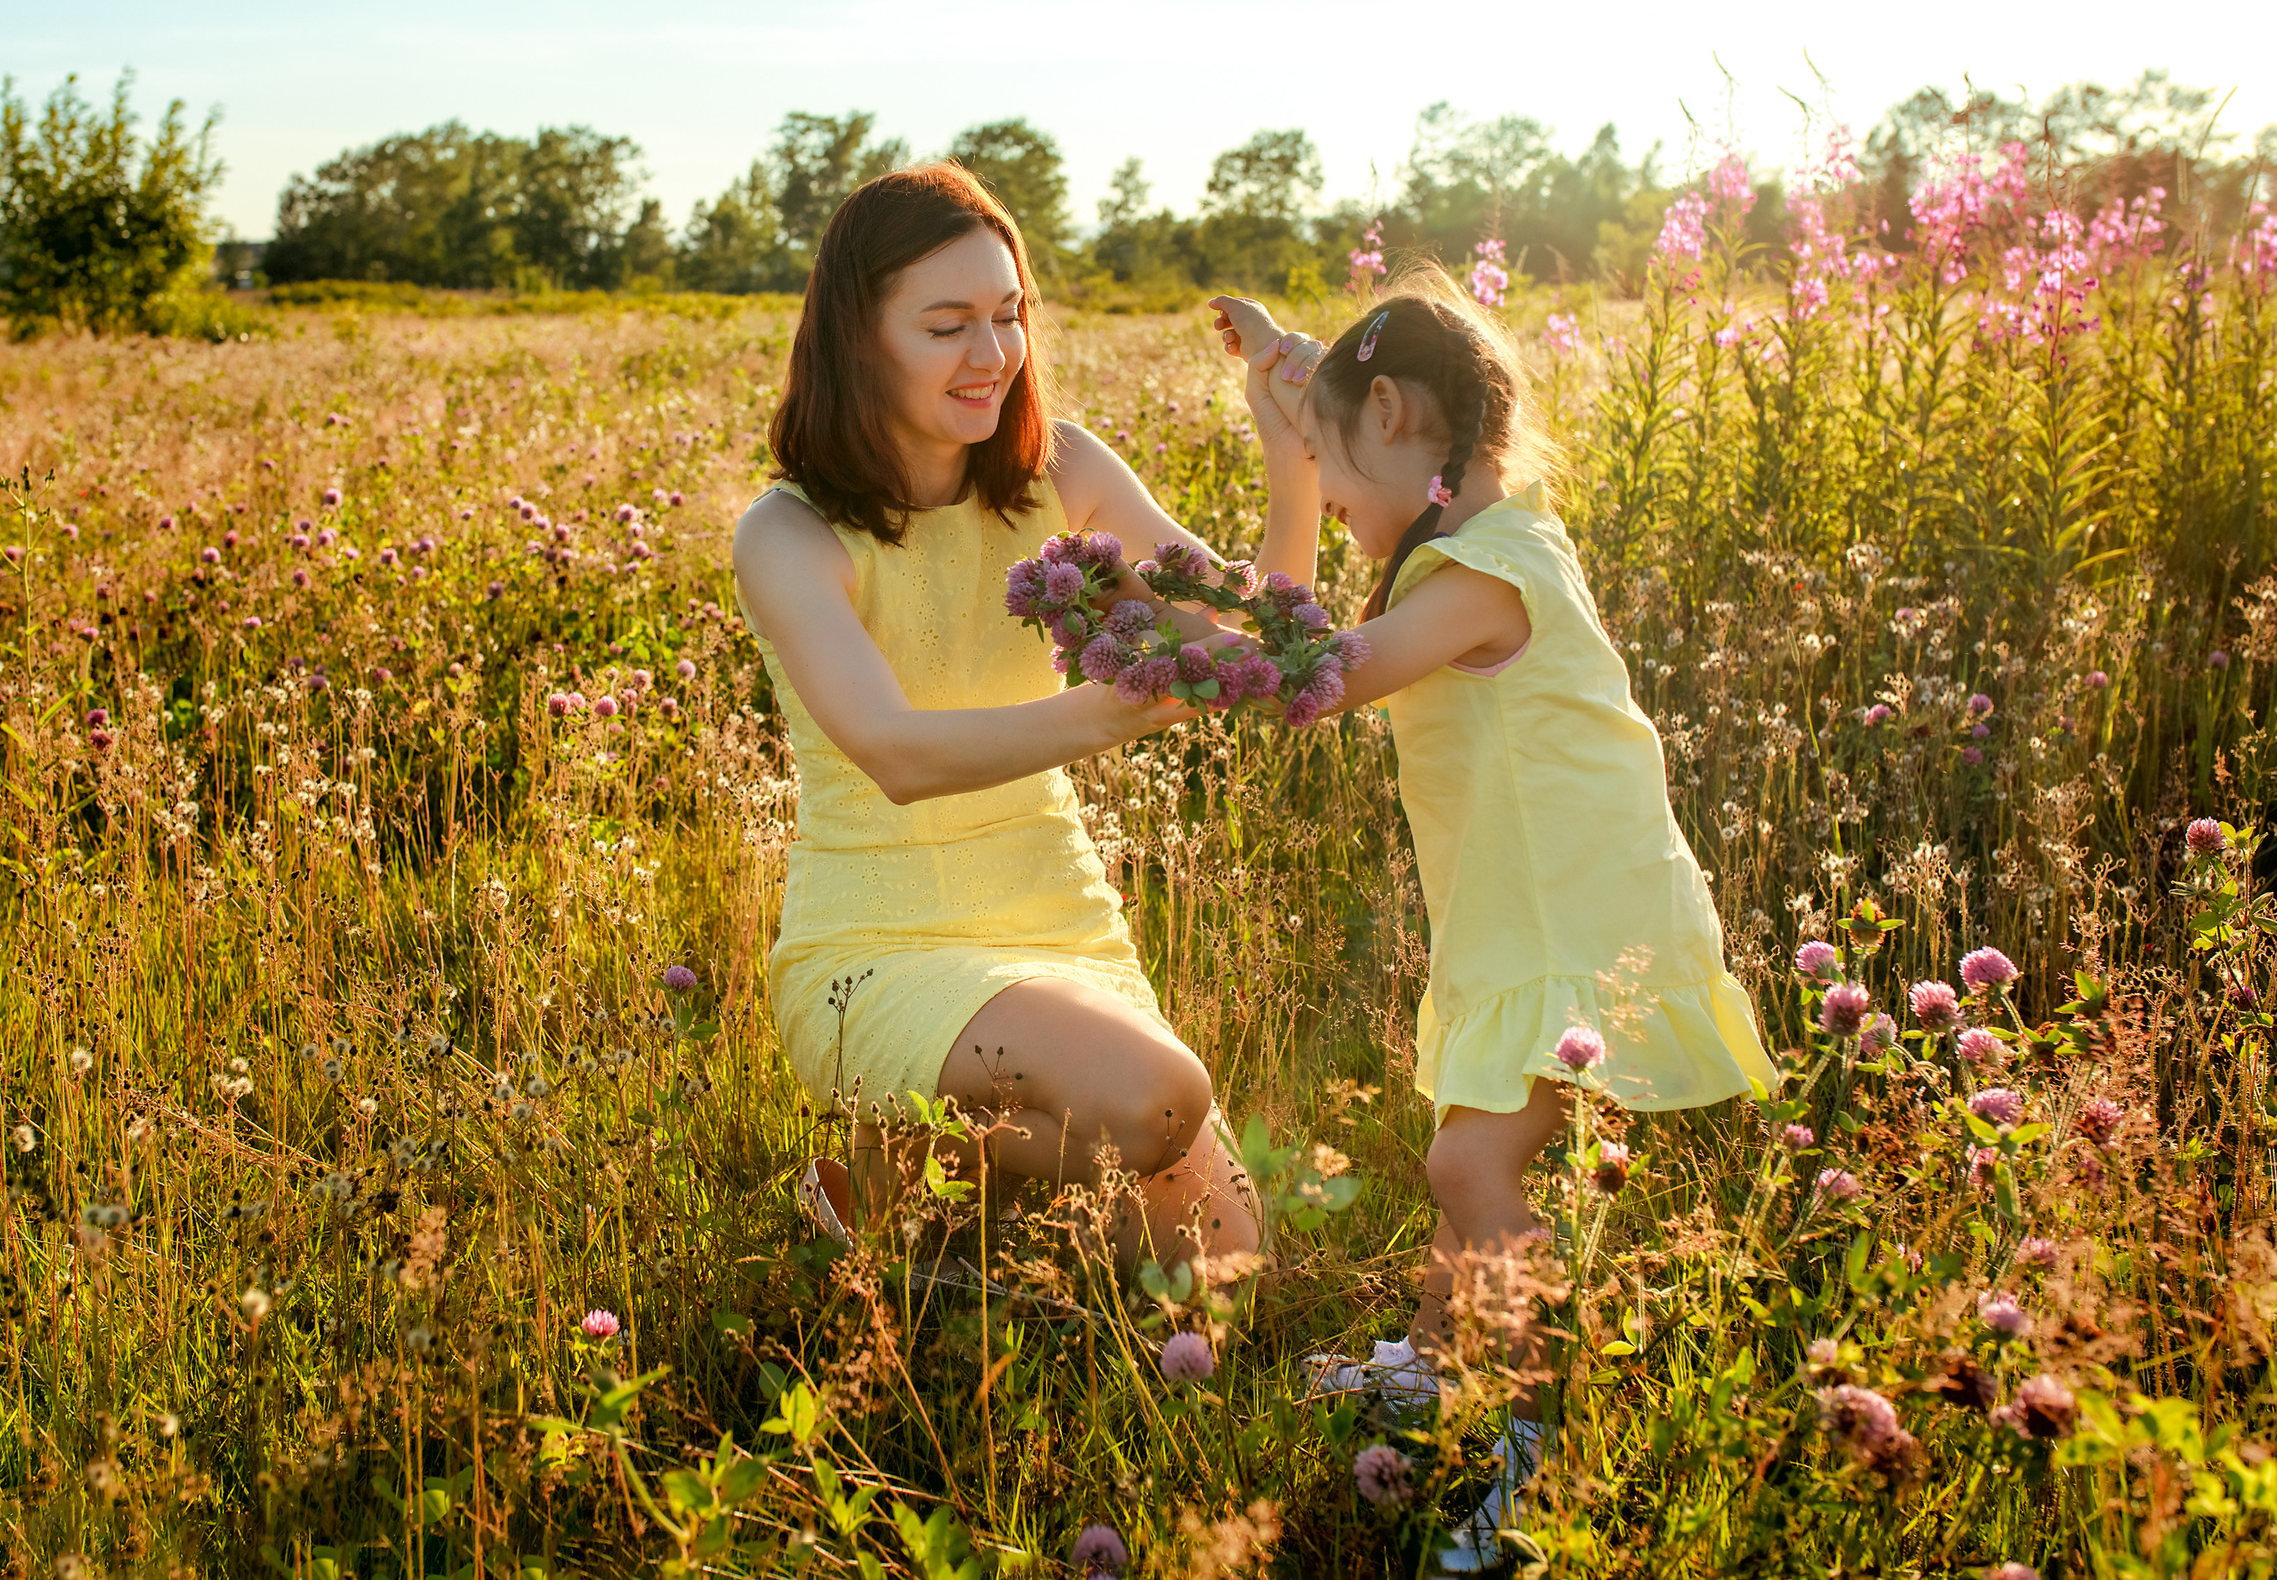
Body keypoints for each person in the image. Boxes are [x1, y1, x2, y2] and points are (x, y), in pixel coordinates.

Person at [1210, 274, 1778, 1572]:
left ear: (1393, 415)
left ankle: (1540, 1452)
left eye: (1333, 477)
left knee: (1472, 1168)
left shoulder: (1477, 578)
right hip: (1535, 918)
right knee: (1467, 1137)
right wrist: (1294, 374)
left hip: (1573, 930)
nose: (1334, 503)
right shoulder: (1501, 536)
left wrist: (1282, 455)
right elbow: (1360, 406)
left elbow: (1300, 680)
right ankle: (1426, 1362)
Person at [733, 162, 1291, 1275]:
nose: (992, 354)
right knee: (1155, 1099)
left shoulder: (1061, 469)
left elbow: (1254, 638)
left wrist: (1289, 442)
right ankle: (900, 1178)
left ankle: (922, 1181)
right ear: (857, 339)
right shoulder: (788, 534)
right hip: (877, 948)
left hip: (1052, 917)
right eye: (947, 326)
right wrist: (1108, 713)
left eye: (1009, 314)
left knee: (1223, 1279)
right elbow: (895, 753)